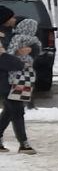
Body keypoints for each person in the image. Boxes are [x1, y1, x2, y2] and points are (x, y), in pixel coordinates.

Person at [0, 17, 40, 153]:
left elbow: (36, 48)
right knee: (16, 110)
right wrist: (21, 63)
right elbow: (5, 57)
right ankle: (23, 143)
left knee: (10, 110)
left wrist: (31, 49)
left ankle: (22, 143)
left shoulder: (11, 34)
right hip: (9, 78)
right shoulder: (8, 36)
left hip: (19, 78)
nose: (14, 19)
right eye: (11, 17)